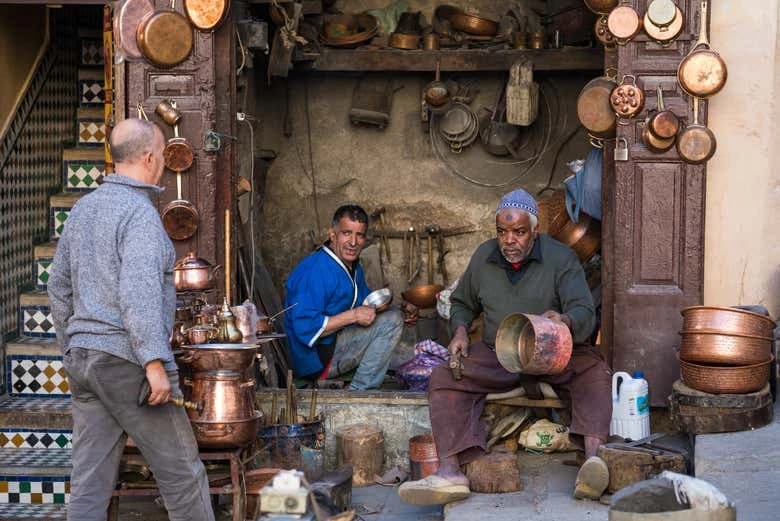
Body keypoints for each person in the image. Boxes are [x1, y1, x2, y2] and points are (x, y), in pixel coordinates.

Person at [399, 188, 612, 505]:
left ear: (534, 231)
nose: (509, 240)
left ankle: (593, 461)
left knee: (594, 370)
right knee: (445, 377)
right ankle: (450, 471)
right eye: (502, 232)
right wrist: (458, 331)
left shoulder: (560, 258)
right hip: (499, 354)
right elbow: (461, 303)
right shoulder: (484, 257)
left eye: (519, 232)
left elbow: (583, 310)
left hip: (552, 353)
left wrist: (564, 321)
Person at [48, 118, 214, 521]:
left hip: (86, 362)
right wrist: (154, 363)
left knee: (89, 481)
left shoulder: (83, 209)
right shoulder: (139, 215)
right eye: (160, 154)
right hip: (130, 364)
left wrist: (72, 345)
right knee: (182, 475)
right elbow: (137, 294)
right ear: (150, 158)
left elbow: (57, 285)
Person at [283, 205, 405, 390]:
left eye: (360, 235)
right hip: (315, 359)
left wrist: (400, 307)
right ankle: (359, 391)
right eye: (346, 233)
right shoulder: (315, 270)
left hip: (334, 345)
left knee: (395, 314)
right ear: (333, 235)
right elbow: (306, 328)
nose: (353, 242)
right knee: (392, 321)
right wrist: (355, 315)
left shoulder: (353, 267)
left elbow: (365, 302)